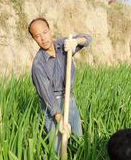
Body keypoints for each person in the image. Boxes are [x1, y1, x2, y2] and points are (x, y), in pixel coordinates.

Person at [28, 17, 92, 153]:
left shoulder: (63, 45)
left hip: (70, 99)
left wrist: (75, 42)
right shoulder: (38, 65)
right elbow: (47, 95)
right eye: (37, 36)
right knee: (58, 149)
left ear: (50, 31)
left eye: (44, 33)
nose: (43, 38)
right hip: (53, 108)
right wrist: (59, 117)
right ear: (34, 39)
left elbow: (88, 39)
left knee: (78, 142)